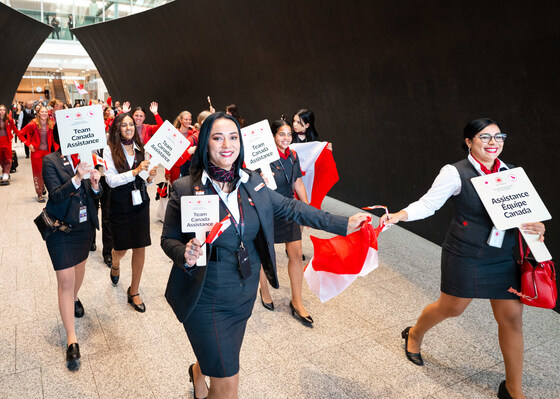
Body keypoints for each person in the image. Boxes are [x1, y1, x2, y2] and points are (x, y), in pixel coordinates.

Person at [161, 112, 368, 399]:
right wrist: (184, 252)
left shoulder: (252, 182)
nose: (226, 145)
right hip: (206, 295)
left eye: (233, 137)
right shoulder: (186, 188)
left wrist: (342, 223)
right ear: (205, 142)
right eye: (217, 138)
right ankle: (207, 371)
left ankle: (199, 370)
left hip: (243, 293)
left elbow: (293, 208)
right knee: (227, 387)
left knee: (222, 359)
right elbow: (167, 238)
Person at [381, 118, 546, 399]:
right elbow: (428, 203)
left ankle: (513, 390)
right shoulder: (454, 172)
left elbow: (525, 214)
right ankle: (414, 334)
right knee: (452, 308)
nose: (494, 143)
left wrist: (537, 226)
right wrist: (400, 215)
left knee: (512, 318)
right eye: (485, 137)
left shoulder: (511, 172)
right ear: (469, 142)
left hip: (504, 256)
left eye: (499, 137)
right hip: (466, 253)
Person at [42, 133, 102, 371]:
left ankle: (74, 298)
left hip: (83, 228)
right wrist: (77, 177)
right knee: (65, 281)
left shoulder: (88, 157)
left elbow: (94, 196)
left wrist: (96, 185)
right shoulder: (51, 160)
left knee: (80, 267)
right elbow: (55, 195)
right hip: (61, 230)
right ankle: (71, 339)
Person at [257, 119, 314, 323]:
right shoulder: (261, 156)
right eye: (282, 134)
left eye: (289, 134)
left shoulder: (292, 155)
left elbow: (297, 181)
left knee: (297, 254)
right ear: (273, 136)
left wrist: (306, 208)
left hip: (288, 207)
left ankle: (297, 301)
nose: (286, 138)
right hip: (266, 209)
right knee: (266, 254)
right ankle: (264, 291)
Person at [103, 113, 158, 312]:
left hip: (141, 203)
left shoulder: (141, 150)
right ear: (117, 129)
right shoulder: (109, 150)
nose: (129, 128)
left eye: (131, 125)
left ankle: (134, 291)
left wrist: (150, 176)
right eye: (124, 125)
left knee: (140, 247)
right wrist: (134, 172)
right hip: (120, 204)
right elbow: (110, 180)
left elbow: (146, 180)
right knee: (121, 249)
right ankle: (115, 262)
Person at [18, 106, 56, 202]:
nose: (44, 113)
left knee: (48, 173)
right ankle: (39, 194)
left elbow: (55, 138)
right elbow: (20, 134)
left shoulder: (51, 124)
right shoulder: (33, 124)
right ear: (38, 113)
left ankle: (43, 186)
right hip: (37, 153)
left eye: (46, 112)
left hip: (48, 153)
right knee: (38, 173)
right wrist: (28, 144)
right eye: (42, 112)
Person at [165, 110, 198, 183]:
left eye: (190, 119)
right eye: (186, 119)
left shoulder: (193, 134)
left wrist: (195, 130)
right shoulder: (174, 134)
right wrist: (167, 171)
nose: (188, 121)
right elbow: (167, 153)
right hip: (176, 167)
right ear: (180, 120)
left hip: (189, 166)